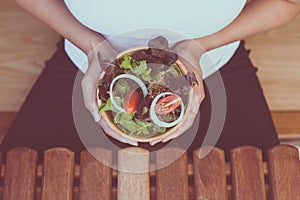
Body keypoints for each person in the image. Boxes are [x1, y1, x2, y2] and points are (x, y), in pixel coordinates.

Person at [1, 0, 299, 159]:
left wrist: (198, 47)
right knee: (19, 174)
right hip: (87, 60)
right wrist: (92, 47)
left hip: (213, 63)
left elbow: (286, 2)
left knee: (256, 175)